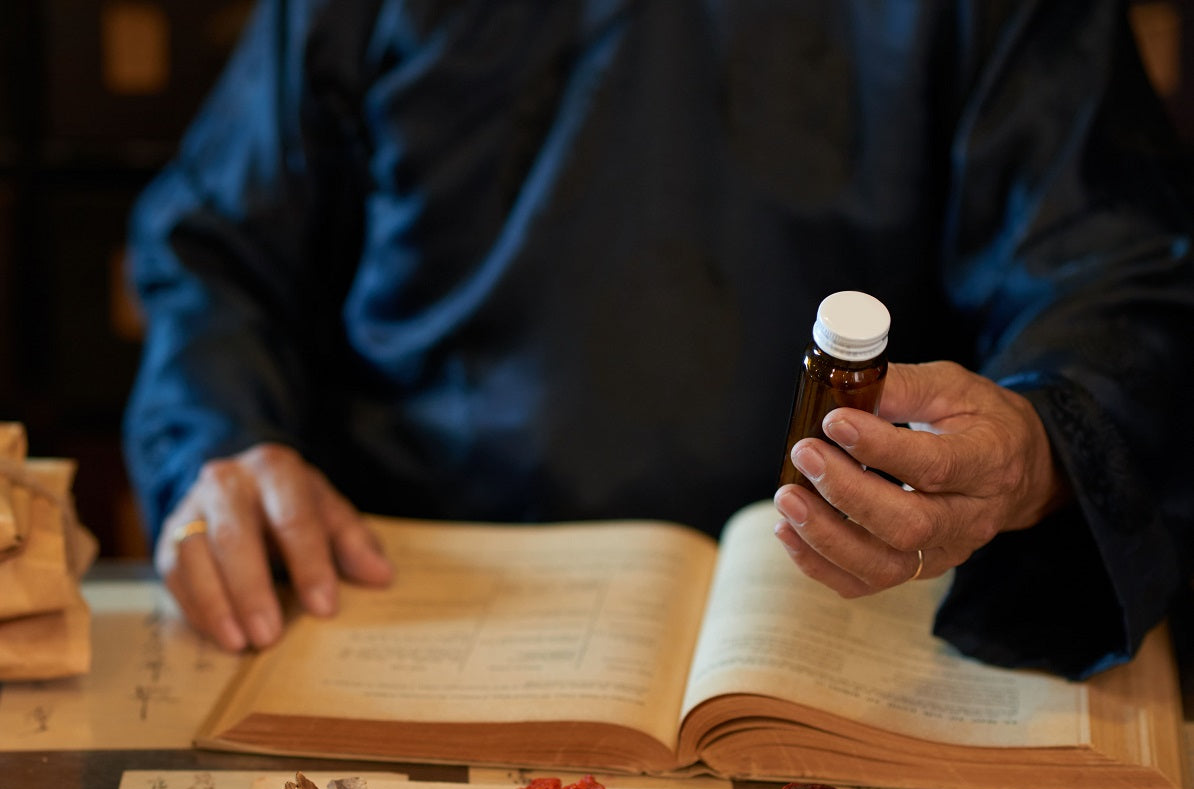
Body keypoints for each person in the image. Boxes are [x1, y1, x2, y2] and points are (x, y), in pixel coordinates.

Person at [123, 0, 1194, 679]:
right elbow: (218, 251)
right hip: (407, 591)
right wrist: (217, 451)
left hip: (865, 597)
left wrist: (1034, 445)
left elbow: (1116, 274)